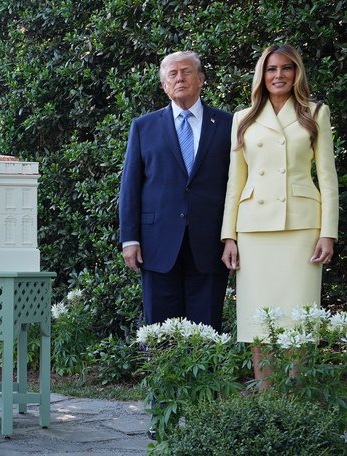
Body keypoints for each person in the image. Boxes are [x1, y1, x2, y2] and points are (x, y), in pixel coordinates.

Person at [220, 44, 338, 385]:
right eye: (272, 69)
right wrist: (229, 235)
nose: (279, 75)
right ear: (262, 74)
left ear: (296, 73)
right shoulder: (243, 118)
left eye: (286, 68)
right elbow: (235, 181)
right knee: (259, 319)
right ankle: (268, 398)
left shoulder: (315, 112)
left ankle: (294, 401)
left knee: (297, 322)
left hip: (301, 227)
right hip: (254, 229)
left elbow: (328, 178)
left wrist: (327, 232)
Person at [119, 51, 233, 333]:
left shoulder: (229, 124)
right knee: (160, 331)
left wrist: (233, 236)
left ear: (201, 79)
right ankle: (163, 378)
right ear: (164, 85)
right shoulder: (143, 127)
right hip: (156, 245)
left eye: (187, 71)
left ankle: (204, 379)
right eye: (172, 74)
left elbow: (236, 184)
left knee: (206, 330)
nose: (180, 78)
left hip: (210, 243)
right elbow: (130, 186)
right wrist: (129, 238)